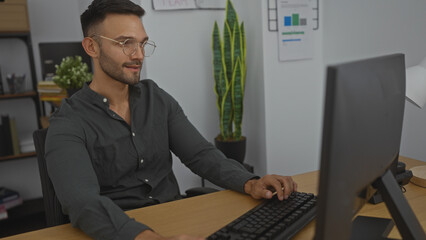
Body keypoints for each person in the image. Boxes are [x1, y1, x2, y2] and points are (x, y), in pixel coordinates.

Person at [45, 0, 298, 239]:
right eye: (125, 43)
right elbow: (82, 202)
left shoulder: (156, 98)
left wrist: (250, 183)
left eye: (143, 43)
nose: (139, 55)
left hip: (176, 218)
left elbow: (201, 155)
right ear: (92, 47)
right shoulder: (68, 123)